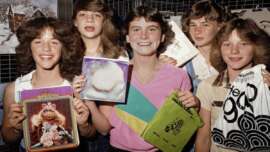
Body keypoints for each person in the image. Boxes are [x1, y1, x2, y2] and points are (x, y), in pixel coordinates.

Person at [73, 5, 200, 151]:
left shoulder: (179, 76)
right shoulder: (113, 74)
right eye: (136, 29)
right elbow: (104, 129)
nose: (144, 36)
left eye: (152, 29)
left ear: (163, 36)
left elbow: (181, 127)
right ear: (127, 37)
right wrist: (89, 101)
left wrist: (194, 106)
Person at [1, 16, 94, 151]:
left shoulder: (76, 86)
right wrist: (15, 128)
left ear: (64, 47)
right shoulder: (14, 89)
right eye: (38, 42)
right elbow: (7, 138)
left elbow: (91, 134)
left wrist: (84, 125)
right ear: (29, 47)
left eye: (54, 42)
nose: (46, 48)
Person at [195, 18, 270, 152]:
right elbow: (203, 138)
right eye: (227, 44)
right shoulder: (207, 86)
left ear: (256, 47)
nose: (234, 51)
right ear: (219, 48)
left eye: (243, 44)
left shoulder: (267, 84)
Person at [72, 0, 126, 151]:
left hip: (102, 140)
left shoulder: (117, 58)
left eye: (96, 15)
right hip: (70, 136)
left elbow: (104, 128)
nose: (89, 19)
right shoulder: (64, 56)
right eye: (83, 14)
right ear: (75, 22)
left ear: (104, 21)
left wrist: (86, 96)